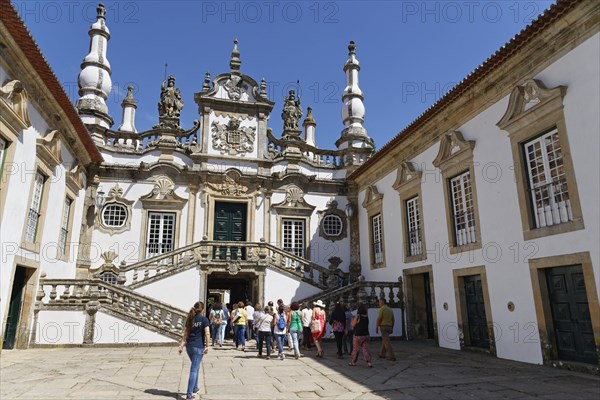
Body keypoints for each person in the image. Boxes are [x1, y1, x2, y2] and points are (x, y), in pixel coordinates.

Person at [178, 301, 210, 400]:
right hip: (198, 346)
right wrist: (207, 346)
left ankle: (195, 388)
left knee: (195, 367)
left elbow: (185, 334)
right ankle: (189, 394)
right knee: (194, 370)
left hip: (189, 347)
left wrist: (181, 345)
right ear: (203, 309)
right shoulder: (204, 319)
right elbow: (207, 333)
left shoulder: (190, 318)